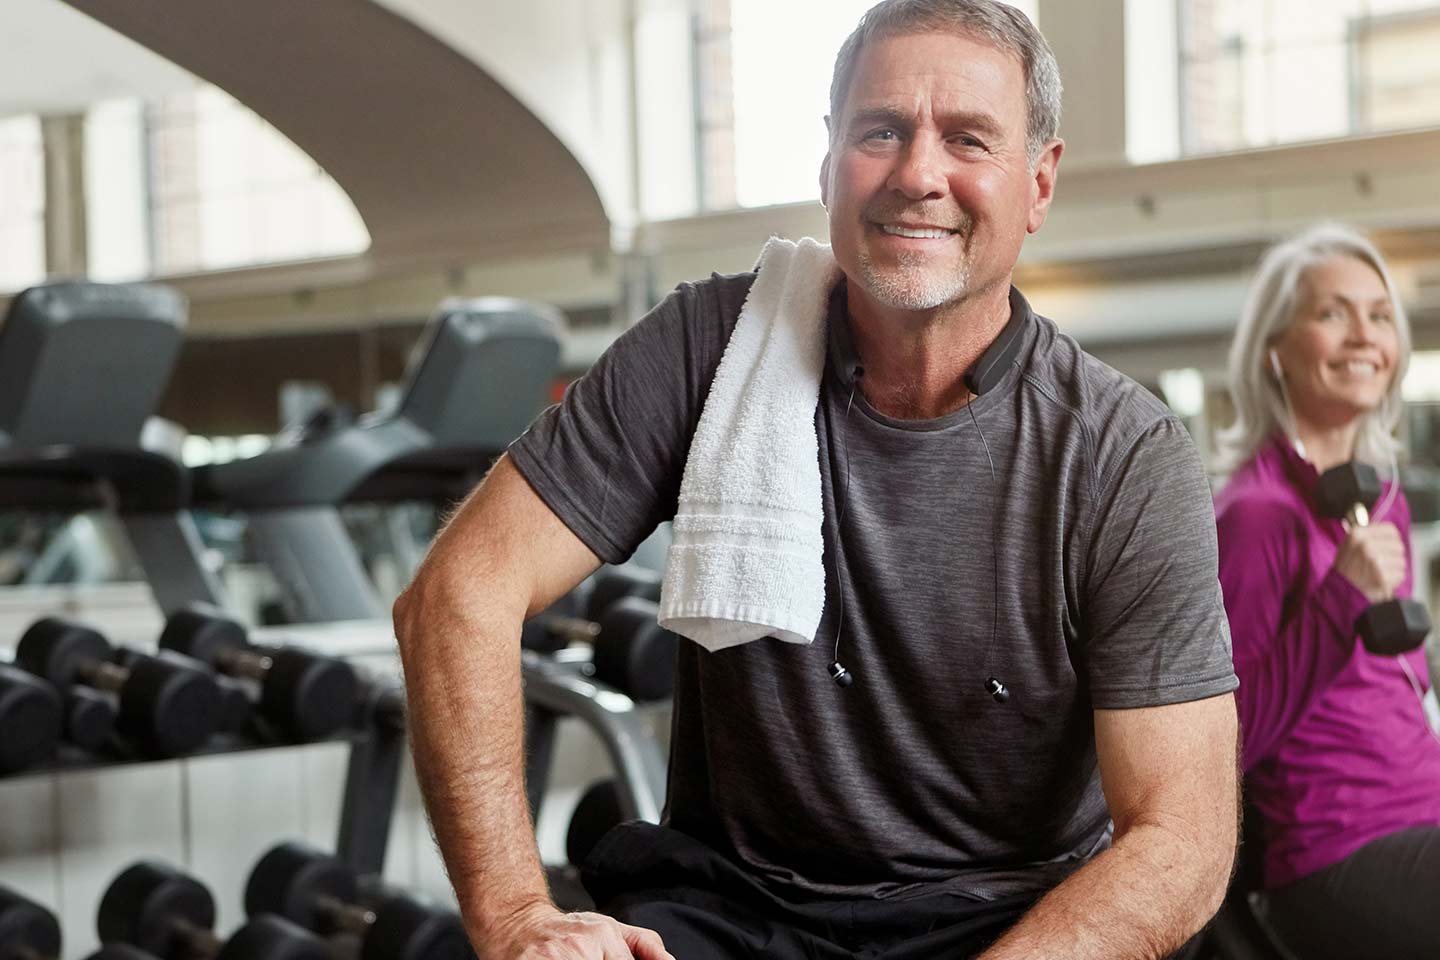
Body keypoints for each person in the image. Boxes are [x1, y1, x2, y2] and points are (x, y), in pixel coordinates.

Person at [394, 2, 1239, 958]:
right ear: (829, 160)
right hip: (733, 913)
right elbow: (457, 594)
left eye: (969, 139)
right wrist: (514, 917)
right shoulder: (709, 348)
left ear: (1038, 183)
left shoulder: (1122, 452)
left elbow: (1184, 836)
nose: (919, 174)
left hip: (1005, 926)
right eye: (880, 131)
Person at [1214, 223, 1438, 960]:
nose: (1362, 335)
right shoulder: (1254, 517)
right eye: (1331, 313)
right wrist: (1339, 599)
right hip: (1335, 852)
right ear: (1276, 350)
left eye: (1378, 316)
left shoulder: (1385, 504)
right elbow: (1222, 740)